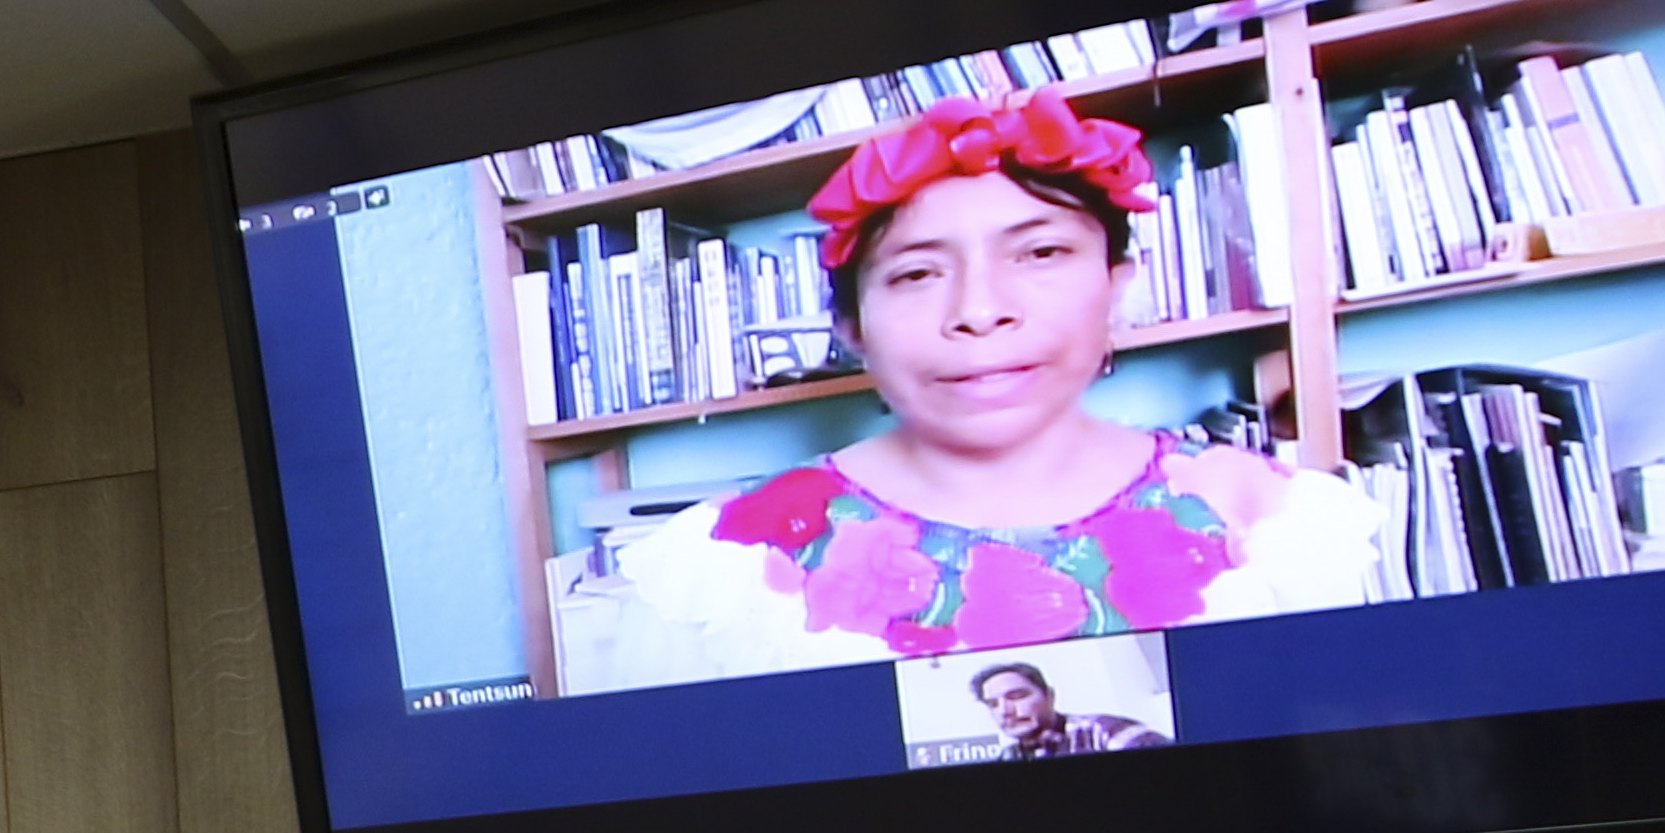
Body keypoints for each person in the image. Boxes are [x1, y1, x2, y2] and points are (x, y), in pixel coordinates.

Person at [566, 85, 1381, 685]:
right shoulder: (718, 569)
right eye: (917, 273)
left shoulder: (1284, 526)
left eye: (1041, 253)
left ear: (1116, 285)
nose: (980, 312)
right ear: (852, 328)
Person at [971, 659, 1161, 755]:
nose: (1005, 711)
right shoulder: (1008, 756)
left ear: (1049, 696)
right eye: (993, 704)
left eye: (1017, 697)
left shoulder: (1103, 730)